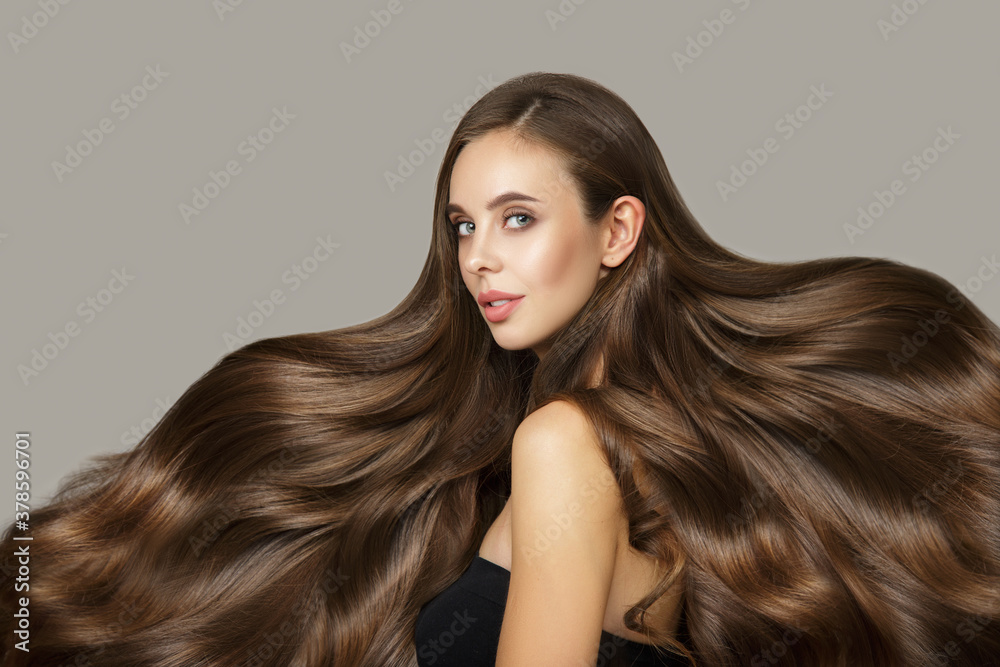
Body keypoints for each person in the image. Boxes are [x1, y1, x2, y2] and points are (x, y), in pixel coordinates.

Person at [3, 72, 999, 666]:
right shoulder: (626, 442)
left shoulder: (569, 443)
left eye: (518, 217)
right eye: (461, 224)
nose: (478, 254)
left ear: (618, 229)